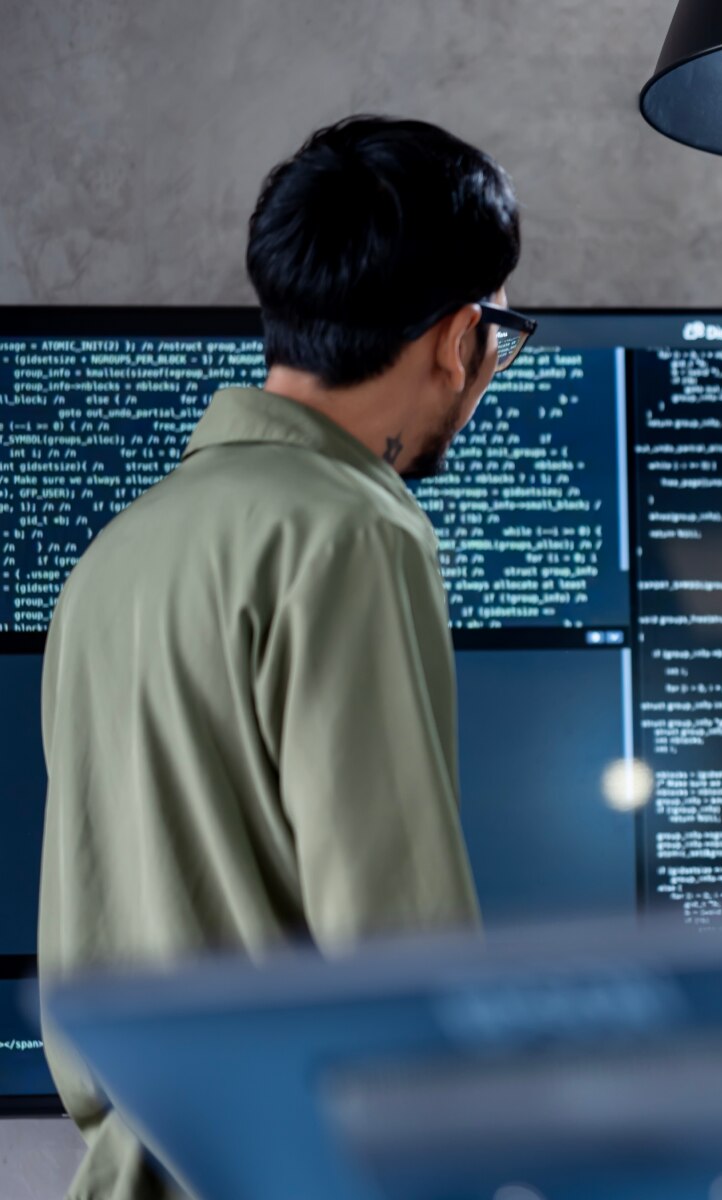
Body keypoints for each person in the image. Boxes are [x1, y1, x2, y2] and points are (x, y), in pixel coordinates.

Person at [37, 115, 533, 1200]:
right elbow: (402, 967)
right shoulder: (357, 531)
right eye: (501, 334)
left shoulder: (111, 560)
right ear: (460, 337)